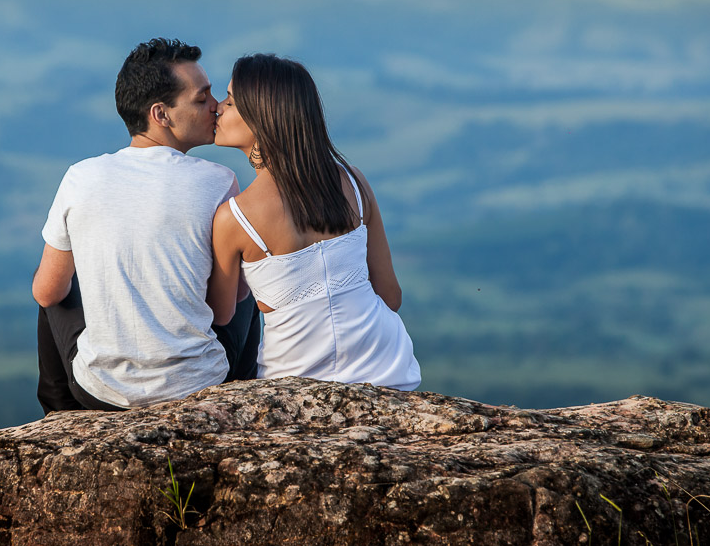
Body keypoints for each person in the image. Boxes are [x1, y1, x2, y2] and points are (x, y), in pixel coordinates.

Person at [32, 38, 260, 414]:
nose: (217, 106)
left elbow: (46, 293)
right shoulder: (219, 181)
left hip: (100, 392)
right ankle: (243, 405)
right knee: (248, 280)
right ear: (161, 114)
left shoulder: (80, 177)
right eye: (201, 98)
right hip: (198, 385)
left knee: (52, 286)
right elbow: (225, 309)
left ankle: (60, 416)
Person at [208, 53, 421, 390]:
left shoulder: (234, 217)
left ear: (261, 119)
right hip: (388, 369)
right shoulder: (354, 182)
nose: (217, 108)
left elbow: (220, 315)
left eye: (230, 102)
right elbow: (390, 296)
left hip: (292, 381)